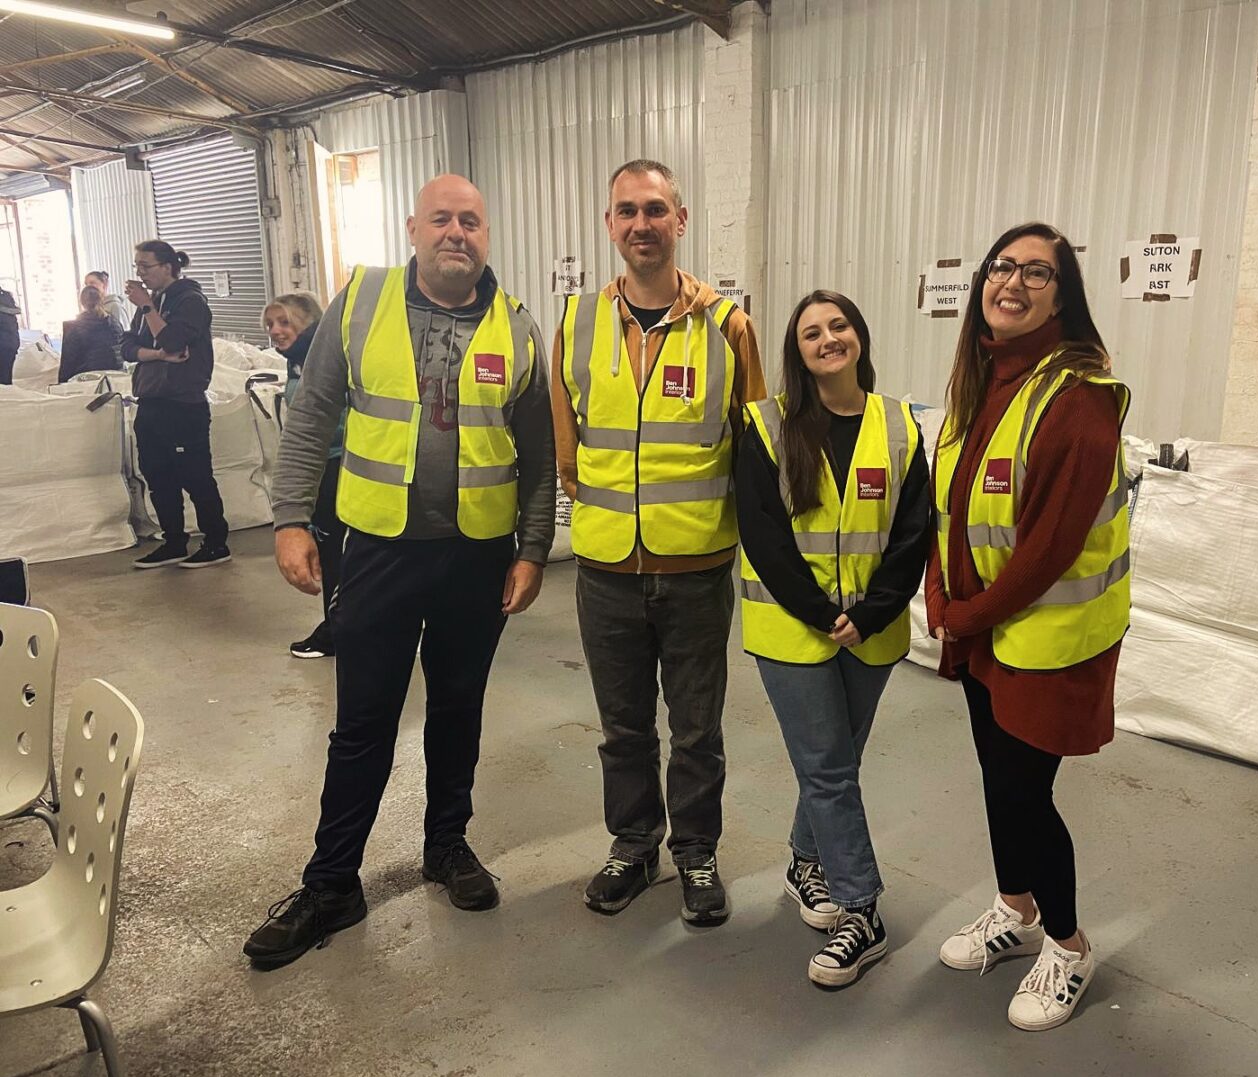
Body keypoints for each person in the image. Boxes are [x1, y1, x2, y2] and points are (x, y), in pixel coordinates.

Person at [243, 174, 555, 970]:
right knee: (363, 721)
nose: (457, 233)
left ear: (488, 235)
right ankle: (331, 883)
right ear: (414, 228)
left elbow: (539, 456)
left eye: (471, 221)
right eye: (442, 219)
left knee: (457, 708)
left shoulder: (518, 326)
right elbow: (311, 415)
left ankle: (446, 846)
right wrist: (289, 519)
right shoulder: (362, 302)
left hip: (478, 556)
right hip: (380, 550)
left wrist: (531, 549)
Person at [926, 222, 1130, 1032]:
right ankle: (1016, 906)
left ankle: (1070, 946)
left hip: (1048, 639)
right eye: (1002, 266)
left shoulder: (1076, 399)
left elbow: (1049, 548)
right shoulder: (986, 379)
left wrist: (964, 613)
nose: (1012, 282)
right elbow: (952, 504)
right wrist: (942, 592)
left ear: (1062, 297)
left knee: (1024, 793)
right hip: (987, 631)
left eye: (1036, 273)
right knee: (996, 779)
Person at [552, 159, 766, 925]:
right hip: (606, 568)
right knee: (624, 729)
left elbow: (756, 453)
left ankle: (696, 852)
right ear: (610, 225)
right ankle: (635, 846)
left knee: (697, 730)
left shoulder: (728, 327)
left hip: (697, 569)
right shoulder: (577, 325)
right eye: (626, 211)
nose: (640, 224)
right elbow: (567, 450)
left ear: (680, 219)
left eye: (654, 209)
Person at [736, 290, 929, 987]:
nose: (827, 339)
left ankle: (804, 861)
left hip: (872, 634)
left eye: (838, 325)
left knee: (836, 761)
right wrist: (821, 612)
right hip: (793, 629)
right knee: (828, 768)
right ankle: (861, 908)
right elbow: (762, 532)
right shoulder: (766, 426)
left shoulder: (899, 425)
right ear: (798, 352)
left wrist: (870, 614)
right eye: (811, 333)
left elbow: (914, 532)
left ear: (859, 335)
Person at [120, 241, 230, 569]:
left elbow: (172, 341)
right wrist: (156, 354)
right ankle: (174, 542)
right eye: (137, 266)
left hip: (183, 404)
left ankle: (216, 542)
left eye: (146, 266)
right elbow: (127, 347)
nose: (140, 273)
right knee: (158, 476)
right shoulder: (152, 304)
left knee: (195, 476)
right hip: (150, 402)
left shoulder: (190, 301)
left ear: (167, 267)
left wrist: (146, 307)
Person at [264, 292, 342, 659]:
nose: (275, 331)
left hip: (338, 467)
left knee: (338, 556)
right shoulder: (299, 362)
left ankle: (337, 631)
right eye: (270, 324)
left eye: (284, 322)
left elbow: (333, 421)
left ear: (308, 322)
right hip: (322, 467)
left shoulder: (321, 361)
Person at [59, 286, 122, 383]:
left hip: (86, 383)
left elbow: (67, 365)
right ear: (102, 300)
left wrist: (61, 384)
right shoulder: (115, 324)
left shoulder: (74, 328)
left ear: (82, 302)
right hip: (116, 379)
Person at [83, 270, 129, 341]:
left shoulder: (114, 306)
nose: (88, 288)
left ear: (104, 285)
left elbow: (123, 334)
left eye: (92, 283)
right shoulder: (90, 308)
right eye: (86, 284)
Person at [0, 285, 19, 386]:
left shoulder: (6, 296)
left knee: (5, 377)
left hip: (7, 343)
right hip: (9, 342)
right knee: (5, 377)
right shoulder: (6, 295)